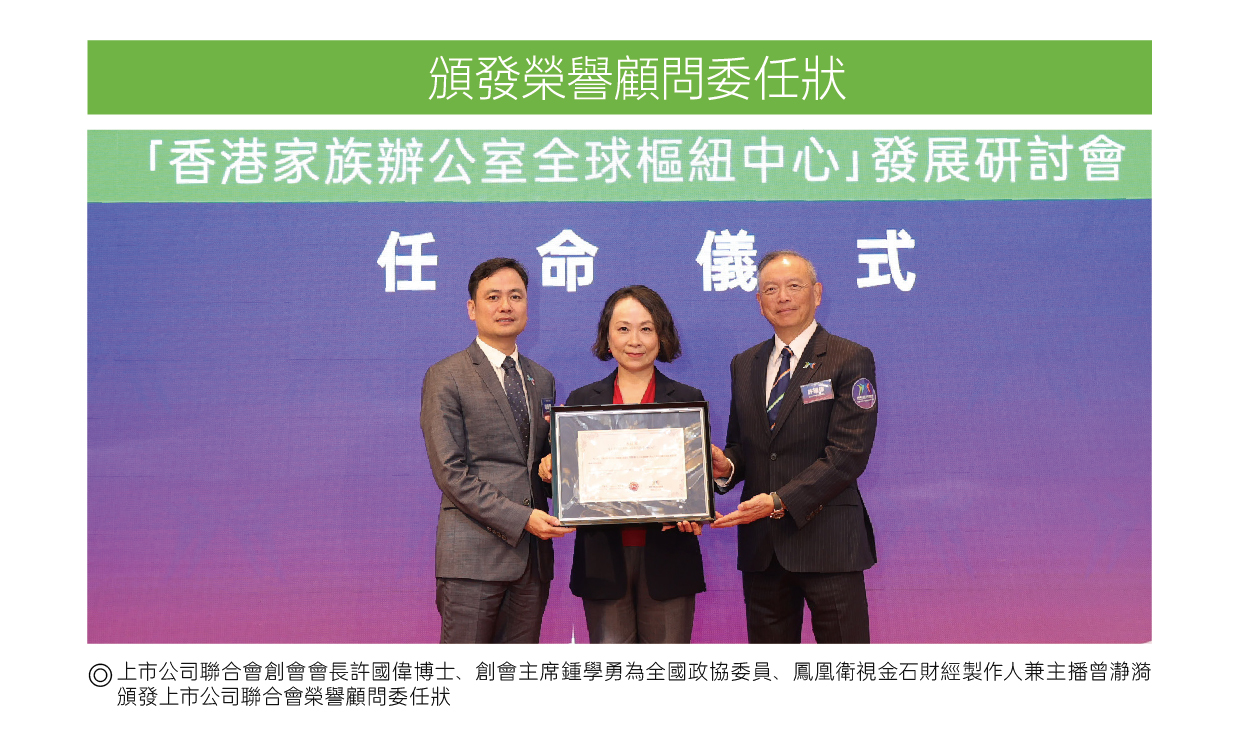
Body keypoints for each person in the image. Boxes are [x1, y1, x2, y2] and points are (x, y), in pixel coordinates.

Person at [710, 251, 879, 644]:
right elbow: (744, 445)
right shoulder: (744, 364)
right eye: (771, 289)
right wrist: (727, 467)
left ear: (816, 294)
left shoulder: (849, 357)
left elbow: (848, 454)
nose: (782, 297)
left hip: (829, 543)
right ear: (759, 302)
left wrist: (780, 500)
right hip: (763, 550)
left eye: (794, 286)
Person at [539, 285, 707, 643]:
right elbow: (565, 491)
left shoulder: (687, 400)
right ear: (607, 336)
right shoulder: (581, 402)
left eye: (646, 328)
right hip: (603, 561)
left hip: (669, 557)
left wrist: (698, 504)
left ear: (662, 335)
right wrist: (553, 470)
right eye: (623, 328)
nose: (635, 340)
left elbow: (697, 482)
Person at [420, 257, 573, 643]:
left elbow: (542, 463)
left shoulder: (542, 379)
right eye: (493, 297)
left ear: (527, 306)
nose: (506, 306)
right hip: (472, 559)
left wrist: (558, 468)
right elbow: (451, 472)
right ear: (472, 308)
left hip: (532, 561)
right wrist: (522, 518)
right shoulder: (446, 376)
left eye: (515, 296)